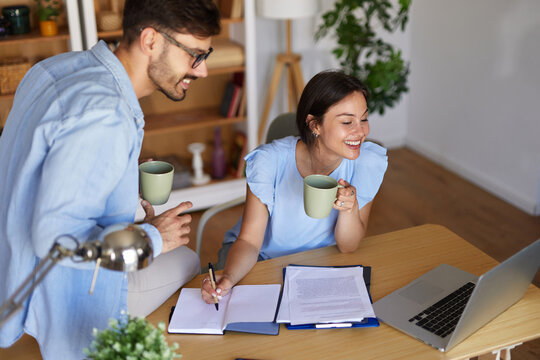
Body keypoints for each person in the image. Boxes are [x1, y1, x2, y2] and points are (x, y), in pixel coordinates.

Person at [0, 0, 220, 358]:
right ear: (150, 40)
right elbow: (54, 238)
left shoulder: (58, 68)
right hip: (56, 286)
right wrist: (152, 238)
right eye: (194, 54)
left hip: (11, 261)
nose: (204, 70)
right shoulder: (106, 115)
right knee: (187, 260)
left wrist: (118, 173)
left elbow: (47, 163)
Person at [201, 70, 388, 304]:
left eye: (364, 119)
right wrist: (228, 278)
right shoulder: (269, 162)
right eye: (347, 122)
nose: (360, 132)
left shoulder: (366, 163)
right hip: (260, 257)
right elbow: (249, 241)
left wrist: (350, 209)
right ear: (314, 125)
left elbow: (348, 247)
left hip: (320, 261)